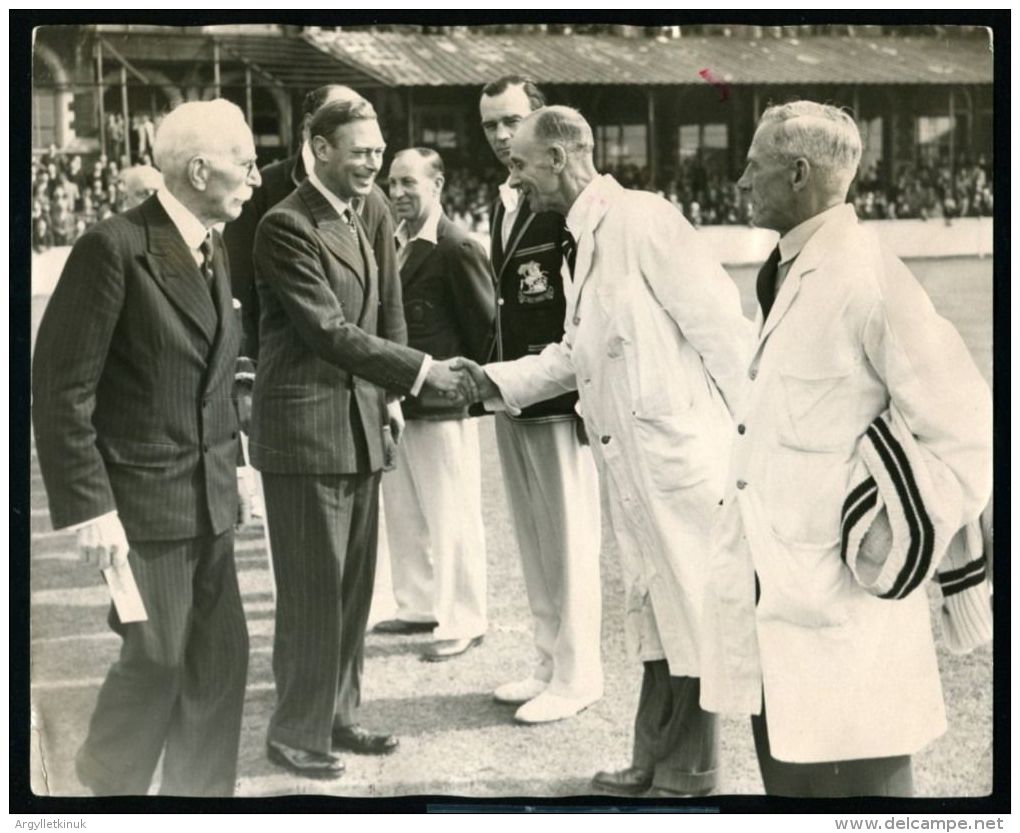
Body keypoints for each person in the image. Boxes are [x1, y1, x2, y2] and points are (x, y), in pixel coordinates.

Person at [699, 101, 993, 797]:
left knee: (866, 785)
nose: (740, 182)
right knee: (789, 777)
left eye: (753, 165)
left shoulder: (868, 276)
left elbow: (970, 429)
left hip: (843, 595)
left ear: (798, 173)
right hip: (775, 582)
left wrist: (888, 529)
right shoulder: (791, 266)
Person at [457, 105, 752, 797]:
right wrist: (489, 379)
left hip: (680, 461)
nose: (515, 180)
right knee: (653, 618)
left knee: (689, 612)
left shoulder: (645, 221)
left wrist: (753, 451)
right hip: (635, 467)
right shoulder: (580, 240)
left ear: (559, 158)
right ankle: (651, 757)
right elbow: (571, 354)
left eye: (520, 165)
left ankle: (692, 770)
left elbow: (726, 337)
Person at [31, 99, 259, 796]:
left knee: (221, 664)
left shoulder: (213, 244)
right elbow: (59, 389)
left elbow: (216, 378)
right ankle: (111, 788)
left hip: (211, 495)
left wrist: (240, 466)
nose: (253, 178)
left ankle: (197, 800)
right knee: (156, 658)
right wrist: (90, 508)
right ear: (199, 169)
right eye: (245, 164)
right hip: (140, 507)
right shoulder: (115, 246)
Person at [250, 97, 474, 779]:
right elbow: (327, 330)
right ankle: (295, 728)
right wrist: (424, 372)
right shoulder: (285, 226)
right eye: (360, 151)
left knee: (351, 590)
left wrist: (394, 393)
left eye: (379, 152)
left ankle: (338, 715)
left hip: (362, 421)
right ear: (318, 149)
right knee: (314, 588)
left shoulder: (371, 206)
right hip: (305, 429)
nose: (373, 163)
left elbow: (389, 308)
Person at [476, 76, 604, 725]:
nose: (502, 137)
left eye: (512, 121)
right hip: (513, 391)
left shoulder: (563, 205)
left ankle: (580, 672)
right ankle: (549, 657)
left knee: (570, 538)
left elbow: (577, 308)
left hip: (558, 396)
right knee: (533, 536)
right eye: (491, 125)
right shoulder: (503, 199)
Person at [375, 148, 496, 660]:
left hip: (443, 404)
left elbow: (485, 329)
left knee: (453, 516)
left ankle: (465, 616)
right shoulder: (392, 243)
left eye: (409, 183)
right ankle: (419, 604)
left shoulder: (456, 247)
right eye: (391, 183)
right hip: (401, 401)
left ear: (438, 184)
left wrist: (469, 392)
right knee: (403, 512)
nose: (398, 193)